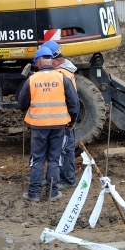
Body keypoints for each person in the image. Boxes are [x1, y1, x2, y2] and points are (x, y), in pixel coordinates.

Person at [17, 45, 79, 203]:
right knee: (54, 159)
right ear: (51, 61)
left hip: (38, 126)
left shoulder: (32, 79)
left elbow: (22, 104)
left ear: (38, 62)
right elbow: (74, 103)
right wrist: (71, 122)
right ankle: (52, 193)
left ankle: (34, 194)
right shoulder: (62, 78)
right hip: (59, 126)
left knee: (37, 159)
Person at [51, 46, 79, 190]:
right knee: (63, 148)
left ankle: (68, 179)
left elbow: (72, 101)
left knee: (65, 149)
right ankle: (61, 177)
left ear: (55, 60)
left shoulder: (62, 74)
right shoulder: (65, 71)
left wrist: (71, 120)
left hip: (64, 118)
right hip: (65, 117)